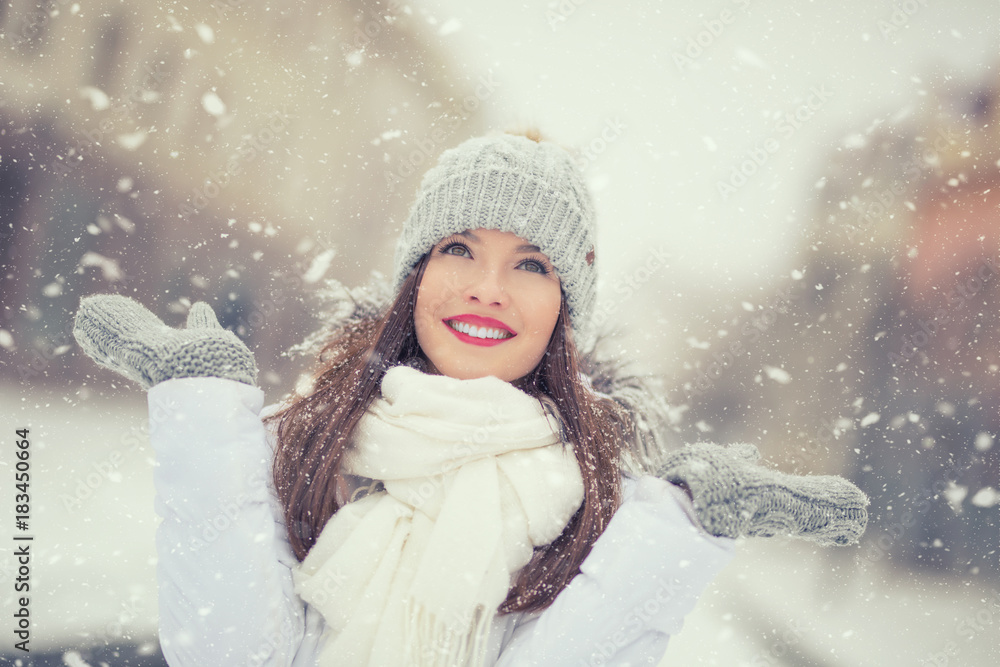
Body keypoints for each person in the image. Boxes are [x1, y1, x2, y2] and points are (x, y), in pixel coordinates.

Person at [72, 131, 868, 666]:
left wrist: (687, 523)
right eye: (460, 248)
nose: (488, 291)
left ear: (566, 308)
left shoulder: (593, 504)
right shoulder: (311, 442)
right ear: (416, 275)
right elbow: (231, 651)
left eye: (531, 264)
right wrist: (203, 403)